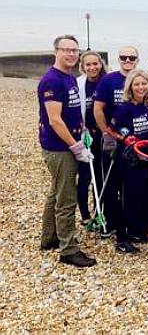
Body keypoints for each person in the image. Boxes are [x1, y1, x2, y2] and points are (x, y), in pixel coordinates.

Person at [38, 34, 96, 267]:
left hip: (69, 141)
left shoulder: (69, 78)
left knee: (56, 191)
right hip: (59, 147)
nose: (71, 54)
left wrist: (82, 131)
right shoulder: (52, 81)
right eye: (66, 50)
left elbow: (72, 112)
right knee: (66, 197)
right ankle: (68, 249)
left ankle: (49, 237)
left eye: (74, 50)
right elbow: (54, 120)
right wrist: (75, 145)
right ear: (56, 51)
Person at [110, 69, 148, 253]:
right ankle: (122, 238)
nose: (140, 87)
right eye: (136, 84)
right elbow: (113, 129)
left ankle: (138, 231)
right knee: (129, 197)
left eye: (143, 84)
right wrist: (125, 138)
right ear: (130, 87)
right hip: (129, 157)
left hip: (147, 155)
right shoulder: (125, 108)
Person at [94, 46, 140, 238]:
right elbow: (98, 108)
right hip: (113, 139)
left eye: (131, 57)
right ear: (118, 58)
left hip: (135, 142)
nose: (127, 60)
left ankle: (129, 222)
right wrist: (106, 132)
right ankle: (109, 221)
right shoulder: (109, 80)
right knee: (110, 182)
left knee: (131, 184)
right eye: (123, 57)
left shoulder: (140, 79)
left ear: (137, 60)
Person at [76, 50, 107, 225]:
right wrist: (81, 130)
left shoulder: (106, 81)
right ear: (83, 67)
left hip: (103, 135)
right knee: (85, 177)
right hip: (85, 135)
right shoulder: (79, 83)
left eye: (95, 63)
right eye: (88, 64)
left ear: (100, 64)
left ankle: (98, 210)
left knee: (100, 176)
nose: (92, 67)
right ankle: (85, 214)